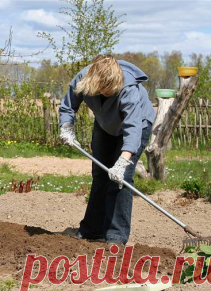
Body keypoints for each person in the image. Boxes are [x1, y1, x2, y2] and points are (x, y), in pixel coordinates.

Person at [59, 54, 155, 245]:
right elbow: (68, 107)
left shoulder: (128, 88)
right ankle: (92, 230)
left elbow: (133, 128)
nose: (109, 92)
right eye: (105, 89)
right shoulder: (82, 80)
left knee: (121, 179)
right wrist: (66, 128)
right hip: (105, 126)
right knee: (100, 175)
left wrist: (123, 161)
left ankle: (116, 236)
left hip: (137, 126)